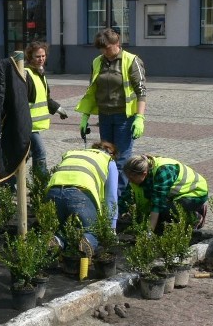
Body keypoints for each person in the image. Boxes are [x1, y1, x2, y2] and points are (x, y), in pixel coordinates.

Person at [75, 28, 147, 198]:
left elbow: (141, 91)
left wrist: (140, 117)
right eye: (101, 49)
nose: (104, 52)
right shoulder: (97, 62)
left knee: (121, 160)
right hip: (104, 116)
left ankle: (116, 201)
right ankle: (110, 194)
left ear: (117, 44)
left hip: (124, 117)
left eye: (107, 48)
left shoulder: (131, 60)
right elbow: (92, 90)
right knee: (106, 157)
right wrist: (85, 116)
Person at [46, 141, 119, 252]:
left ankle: (57, 240)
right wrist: (111, 229)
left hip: (53, 192)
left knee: (62, 229)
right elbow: (111, 197)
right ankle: (88, 240)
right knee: (91, 231)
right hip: (80, 194)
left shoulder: (72, 153)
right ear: (112, 154)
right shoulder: (108, 160)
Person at [120, 154, 209, 234]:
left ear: (144, 174)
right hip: (175, 195)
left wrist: (149, 233)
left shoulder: (163, 172)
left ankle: (195, 217)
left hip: (195, 193)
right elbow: (125, 198)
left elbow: (157, 205)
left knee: (165, 211)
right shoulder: (137, 175)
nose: (130, 181)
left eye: (131, 178)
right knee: (158, 219)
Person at [25, 41, 68, 175]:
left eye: (43, 56)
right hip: (26, 124)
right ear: (30, 56)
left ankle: (9, 182)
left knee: (25, 155)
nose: (41, 59)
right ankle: (41, 184)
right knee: (40, 153)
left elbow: (45, 98)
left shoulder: (40, 73)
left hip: (33, 125)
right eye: (38, 56)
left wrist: (58, 108)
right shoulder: (26, 74)